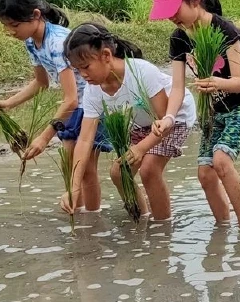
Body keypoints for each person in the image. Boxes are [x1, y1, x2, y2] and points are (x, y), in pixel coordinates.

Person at [149, 0, 240, 230]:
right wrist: (168, 117)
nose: (171, 18)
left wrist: (217, 82)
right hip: (214, 108)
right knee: (204, 173)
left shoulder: (224, 29)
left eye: (174, 9)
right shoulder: (179, 39)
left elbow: (239, 82)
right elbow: (177, 88)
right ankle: (223, 228)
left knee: (221, 160)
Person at [63, 22, 196, 221]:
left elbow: (164, 120)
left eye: (86, 67)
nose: (82, 75)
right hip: (142, 122)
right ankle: (141, 220)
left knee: (150, 169)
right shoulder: (93, 90)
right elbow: (84, 141)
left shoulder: (141, 72)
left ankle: (162, 230)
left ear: (106, 56)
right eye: (77, 70)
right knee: (119, 172)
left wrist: (141, 148)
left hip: (173, 116)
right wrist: (73, 188)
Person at [0, 0, 109, 209]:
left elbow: (71, 98)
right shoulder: (31, 42)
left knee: (84, 168)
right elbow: (41, 82)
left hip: (91, 103)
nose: (11, 31)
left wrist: (44, 137)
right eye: (6, 26)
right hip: (75, 107)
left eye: (14, 24)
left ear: (36, 15)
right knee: (72, 166)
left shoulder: (58, 43)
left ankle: (91, 221)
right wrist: (9, 103)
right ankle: (82, 216)